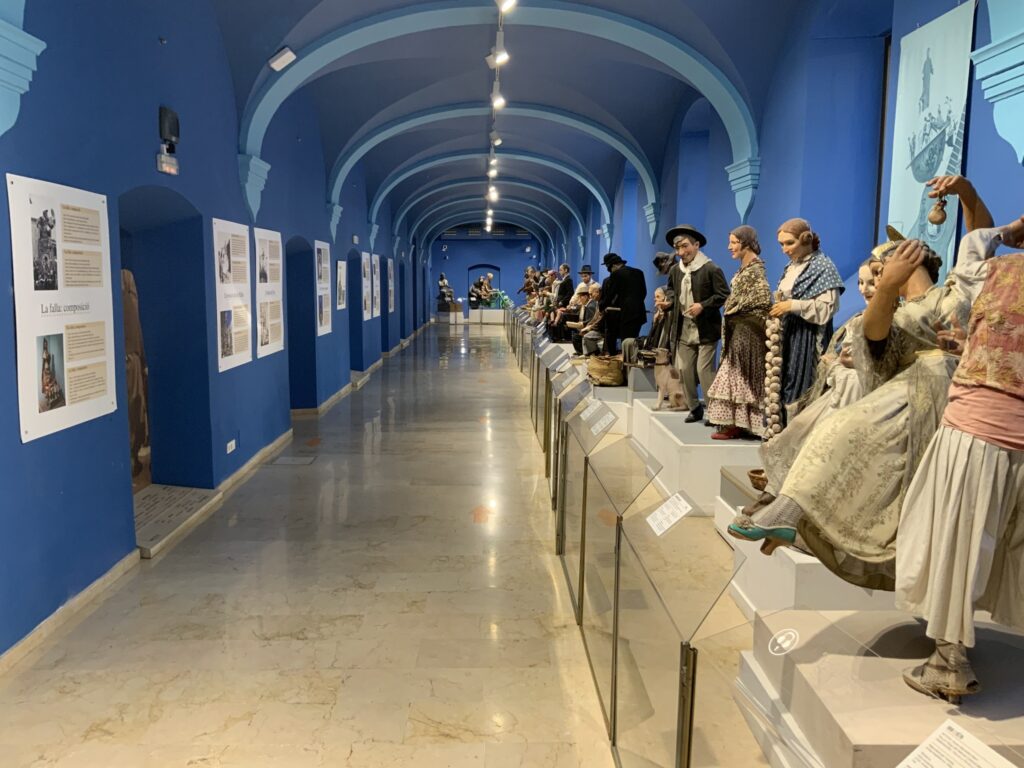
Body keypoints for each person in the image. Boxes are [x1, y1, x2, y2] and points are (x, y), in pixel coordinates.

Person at [729, 208, 1002, 585]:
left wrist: (973, 202)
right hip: (905, 390)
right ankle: (792, 513)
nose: (875, 280)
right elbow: (874, 340)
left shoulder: (950, 293)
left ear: (910, 259)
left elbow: (977, 244)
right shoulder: (894, 310)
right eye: (875, 276)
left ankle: (794, 515)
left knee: (845, 433)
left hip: (942, 392)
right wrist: (886, 291)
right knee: (829, 432)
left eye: (880, 272)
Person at [895, 225, 1024, 702]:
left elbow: (971, 248)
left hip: (976, 428)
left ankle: (948, 662)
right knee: (1004, 539)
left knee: (957, 539)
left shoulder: (998, 269)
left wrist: (1007, 231)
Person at [764, 218, 845, 432]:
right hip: (788, 334)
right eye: (781, 244)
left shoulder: (823, 266)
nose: (784, 249)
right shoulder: (792, 266)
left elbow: (828, 308)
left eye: (789, 243)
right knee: (782, 384)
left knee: (799, 387)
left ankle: (796, 439)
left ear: (805, 240)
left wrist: (792, 305)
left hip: (808, 338)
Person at [705, 226, 771, 439]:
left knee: (735, 372)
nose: (729, 247)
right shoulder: (745, 268)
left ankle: (738, 423)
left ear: (746, 243)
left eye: (734, 242)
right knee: (735, 372)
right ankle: (736, 422)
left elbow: (762, 298)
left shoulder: (755, 269)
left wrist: (735, 307)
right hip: (739, 328)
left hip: (748, 330)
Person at [665, 224, 730, 424]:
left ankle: (714, 410)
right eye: (678, 249)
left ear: (697, 245)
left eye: (685, 246)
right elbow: (671, 291)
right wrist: (668, 302)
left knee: (704, 370)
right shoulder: (676, 270)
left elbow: (723, 295)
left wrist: (703, 305)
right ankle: (694, 407)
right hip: (684, 327)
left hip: (705, 328)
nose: (681, 252)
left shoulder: (711, 268)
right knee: (684, 370)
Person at [599, 253, 647, 356]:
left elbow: (610, 294)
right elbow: (644, 292)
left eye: (609, 268)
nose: (610, 271)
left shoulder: (616, 274)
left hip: (625, 314)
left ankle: (624, 367)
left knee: (625, 342)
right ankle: (632, 365)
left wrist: (601, 306)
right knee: (633, 341)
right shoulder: (639, 272)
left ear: (613, 265)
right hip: (639, 312)